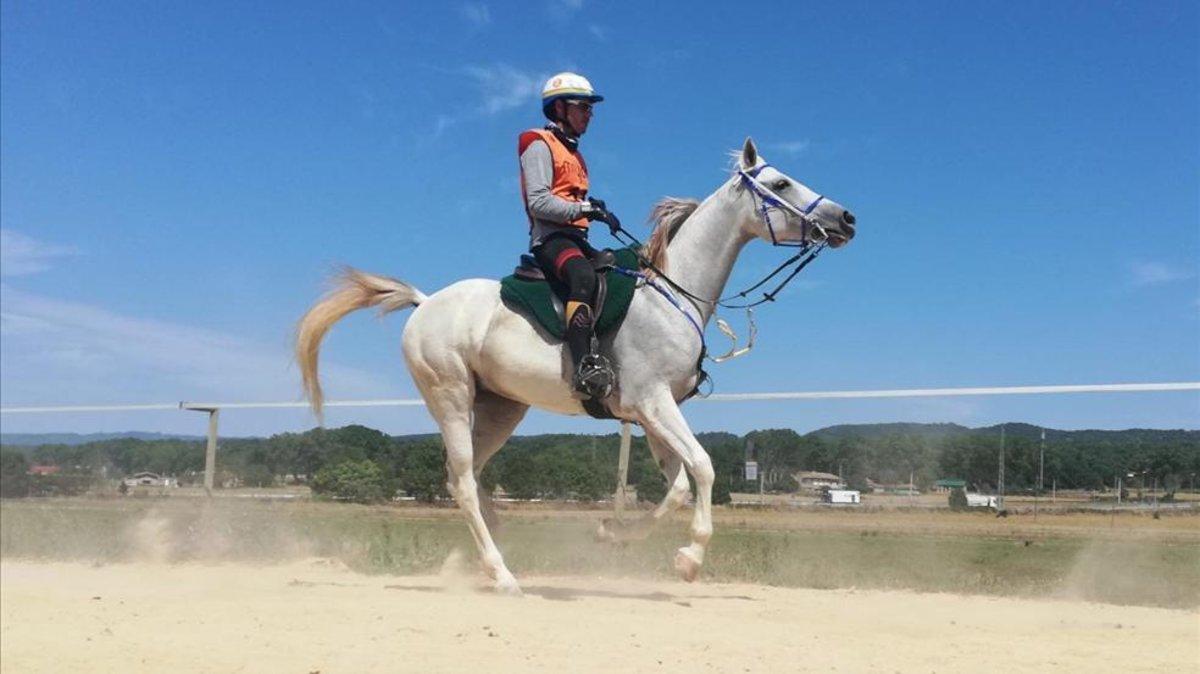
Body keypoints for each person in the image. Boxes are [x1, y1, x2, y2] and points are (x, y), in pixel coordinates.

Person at [518, 72, 622, 400]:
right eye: (583, 107)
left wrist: (593, 210)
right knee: (582, 275)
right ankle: (583, 367)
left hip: (577, 239)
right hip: (550, 239)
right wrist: (586, 209)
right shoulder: (537, 143)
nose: (589, 114)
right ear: (560, 108)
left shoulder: (577, 156)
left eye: (591, 109)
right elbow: (538, 202)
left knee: (618, 268)